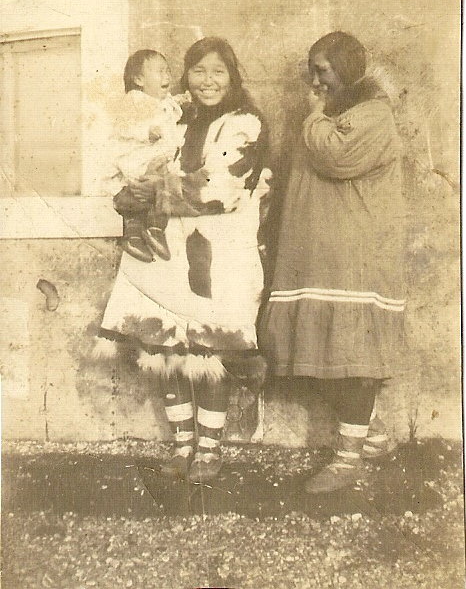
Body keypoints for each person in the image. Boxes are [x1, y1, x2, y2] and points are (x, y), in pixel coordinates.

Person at [95, 37, 270, 483]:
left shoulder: (244, 124)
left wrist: (151, 194)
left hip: (218, 256)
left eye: (218, 72)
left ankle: (209, 451)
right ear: (187, 76)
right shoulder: (173, 117)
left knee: (210, 350)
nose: (207, 81)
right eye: (198, 71)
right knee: (168, 349)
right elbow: (137, 165)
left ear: (232, 78)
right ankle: (181, 444)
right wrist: (128, 193)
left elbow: (217, 188)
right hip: (167, 253)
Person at [259, 32, 406, 493]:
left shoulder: (373, 114)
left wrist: (315, 113)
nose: (314, 79)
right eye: (312, 68)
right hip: (316, 255)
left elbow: (336, 156)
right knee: (314, 353)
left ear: (346, 68)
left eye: (322, 69)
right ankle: (373, 436)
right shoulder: (337, 114)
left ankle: (347, 459)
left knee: (353, 357)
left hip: (355, 257)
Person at [107, 49, 192, 263]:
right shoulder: (134, 100)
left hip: (156, 160)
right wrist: (146, 132)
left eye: (168, 71)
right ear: (138, 79)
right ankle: (154, 230)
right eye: (160, 71)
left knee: (152, 196)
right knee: (156, 190)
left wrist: (182, 101)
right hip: (138, 161)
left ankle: (136, 237)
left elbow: (172, 109)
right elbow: (122, 126)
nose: (167, 76)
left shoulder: (163, 101)